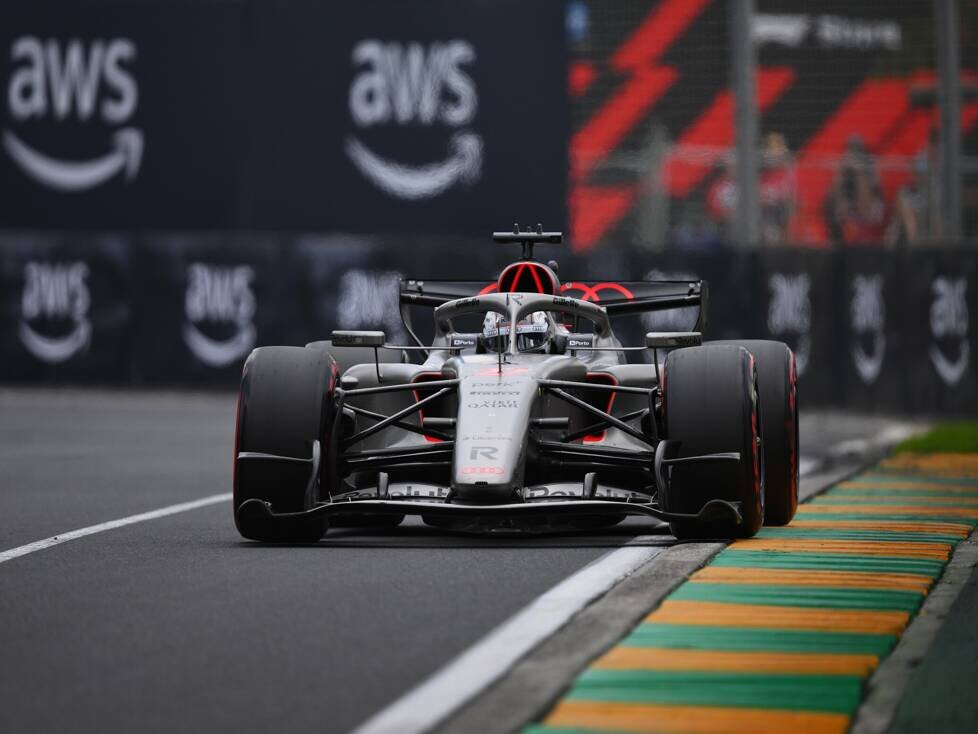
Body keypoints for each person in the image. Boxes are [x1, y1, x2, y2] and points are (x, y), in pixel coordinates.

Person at [825, 135, 886, 246]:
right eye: (851, 152)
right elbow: (834, 204)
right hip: (845, 232)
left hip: (867, 225)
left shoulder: (871, 169)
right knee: (837, 203)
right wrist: (842, 171)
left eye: (858, 152)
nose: (854, 157)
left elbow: (868, 209)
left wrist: (859, 170)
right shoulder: (843, 173)